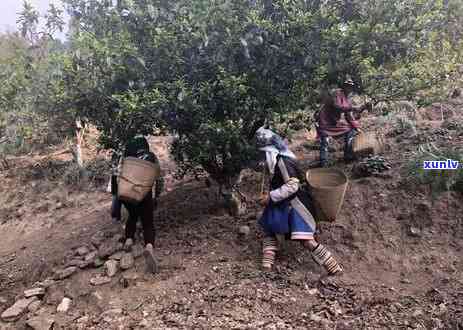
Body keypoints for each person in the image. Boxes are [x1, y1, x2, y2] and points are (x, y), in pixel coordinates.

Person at [255, 127, 343, 275]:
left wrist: (270, 196)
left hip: (295, 204)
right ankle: (266, 266)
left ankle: (333, 267)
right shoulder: (279, 159)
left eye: (263, 153)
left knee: (305, 239)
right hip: (281, 203)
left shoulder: (283, 161)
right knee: (269, 229)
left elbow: (292, 186)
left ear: (269, 150)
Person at [117, 136, 163, 274]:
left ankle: (129, 240)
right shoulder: (151, 156)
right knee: (147, 222)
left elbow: (117, 175)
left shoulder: (125, 157)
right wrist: (157, 195)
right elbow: (158, 178)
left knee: (132, 215)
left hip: (126, 194)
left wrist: (118, 195)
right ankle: (149, 246)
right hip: (144, 193)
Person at [315, 78, 371, 167]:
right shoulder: (336, 92)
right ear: (344, 86)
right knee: (325, 140)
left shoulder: (347, 100)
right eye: (348, 86)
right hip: (324, 119)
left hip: (334, 122)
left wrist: (357, 126)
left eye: (351, 87)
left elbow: (349, 116)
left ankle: (348, 156)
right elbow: (337, 106)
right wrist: (353, 108)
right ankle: (323, 162)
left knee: (351, 130)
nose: (349, 89)